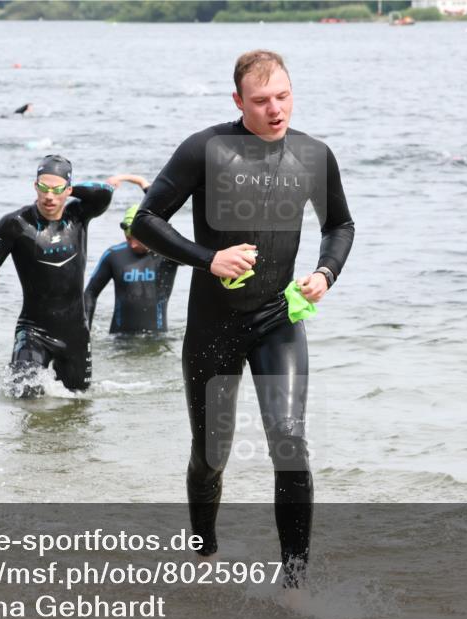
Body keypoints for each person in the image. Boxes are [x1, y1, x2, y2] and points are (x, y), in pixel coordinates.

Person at [131, 50, 355, 591]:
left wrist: (326, 273)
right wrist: (208, 258)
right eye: (260, 101)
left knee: (290, 441)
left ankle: (295, 583)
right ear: (238, 102)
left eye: (282, 96)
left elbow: (341, 225)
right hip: (214, 326)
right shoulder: (206, 150)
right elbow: (145, 220)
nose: (274, 109)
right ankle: (203, 555)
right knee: (211, 456)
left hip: (278, 319)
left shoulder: (313, 155)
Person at [0, 155, 146, 396]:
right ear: (35, 186)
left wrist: (70, 189)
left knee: (77, 405)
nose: (49, 196)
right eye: (43, 188)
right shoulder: (15, 224)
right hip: (33, 330)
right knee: (22, 397)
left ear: (68, 189)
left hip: (75, 333)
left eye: (57, 190)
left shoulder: (79, 215)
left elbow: (104, 193)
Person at [84, 199, 180, 335]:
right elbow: (90, 293)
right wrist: (85, 333)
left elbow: (199, 261)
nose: (133, 245)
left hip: (157, 338)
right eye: (129, 238)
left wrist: (162, 232)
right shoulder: (113, 255)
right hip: (119, 339)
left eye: (138, 239)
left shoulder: (167, 255)